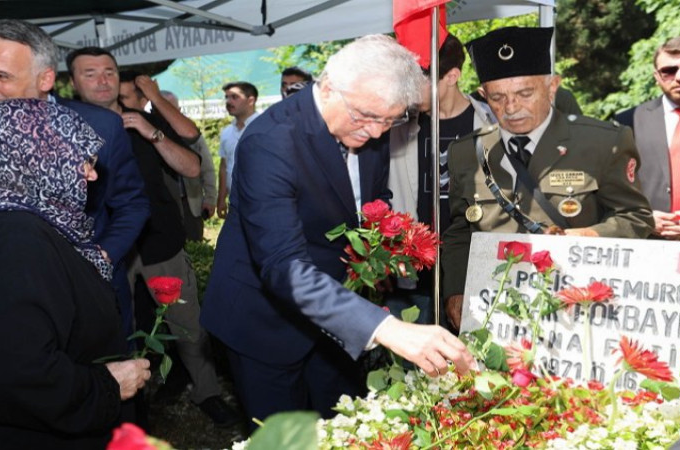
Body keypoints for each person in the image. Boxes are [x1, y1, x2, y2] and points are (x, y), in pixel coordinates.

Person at [200, 35, 475, 429]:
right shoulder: (270, 141)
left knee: (346, 423)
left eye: (390, 120)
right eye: (367, 117)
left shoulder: (369, 121)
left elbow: (369, 201)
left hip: (337, 319)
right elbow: (282, 265)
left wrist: (382, 250)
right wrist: (386, 327)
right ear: (328, 87)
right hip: (263, 321)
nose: (378, 133)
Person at [0, 99, 151, 449]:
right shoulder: (14, 240)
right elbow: (17, 378)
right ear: (30, 158)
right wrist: (108, 386)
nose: (92, 174)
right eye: (82, 160)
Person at [0, 19, 150, 340]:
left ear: (45, 79)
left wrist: (101, 256)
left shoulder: (100, 126)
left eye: (1, 75)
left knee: (101, 381)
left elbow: (131, 204)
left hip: (83, 291)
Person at [442, 27, 654, 330]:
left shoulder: (603, 142)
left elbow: (637, 217)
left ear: (552, 87)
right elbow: (460, 231)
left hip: (578, 309)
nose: (511, 108)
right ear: (483, 95)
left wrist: (589, 236)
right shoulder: (466, 152)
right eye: (498, 98)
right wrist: (455, 290)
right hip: (495, 310)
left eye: (525, 94)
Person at [67, 48, 237, 427]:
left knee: (187, 324)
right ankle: (129, 404)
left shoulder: (140, 122)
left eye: (109, 71)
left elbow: (192, 166)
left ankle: (207, 392)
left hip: (159, 242)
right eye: (90, 73)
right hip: (104, 249)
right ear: (72, 82)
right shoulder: (64, 127)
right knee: (114, 330)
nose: (102, 80)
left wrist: (152, 131)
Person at [387, 33, 495, 325]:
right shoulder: (395, 126)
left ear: (452, 76)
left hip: (472, 269)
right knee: (409, 368)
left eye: (419, 82)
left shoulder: (491, 123)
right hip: (413, 274)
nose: (409, 93)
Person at [615, 35, 680, 241]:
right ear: (656, 76)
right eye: (668, 71)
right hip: (647, 247)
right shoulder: (627, 121)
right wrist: (642, 217)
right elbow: (612, 185)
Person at [119, 76, 217, 239]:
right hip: (153, 211)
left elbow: (204, 165)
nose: (166, 111)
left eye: (170, 108)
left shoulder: (177, 127)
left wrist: (211, 197)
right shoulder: (129, 126)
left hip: (187, 202)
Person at [216, 81, 259, 219]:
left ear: (251, 100)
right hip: (235, 201)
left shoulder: (263, 126)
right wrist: (221, 198)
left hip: (260, 199)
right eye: (227, 97)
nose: (228, 102)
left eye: (234, 97)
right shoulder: (226, 132)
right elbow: (224, 166)